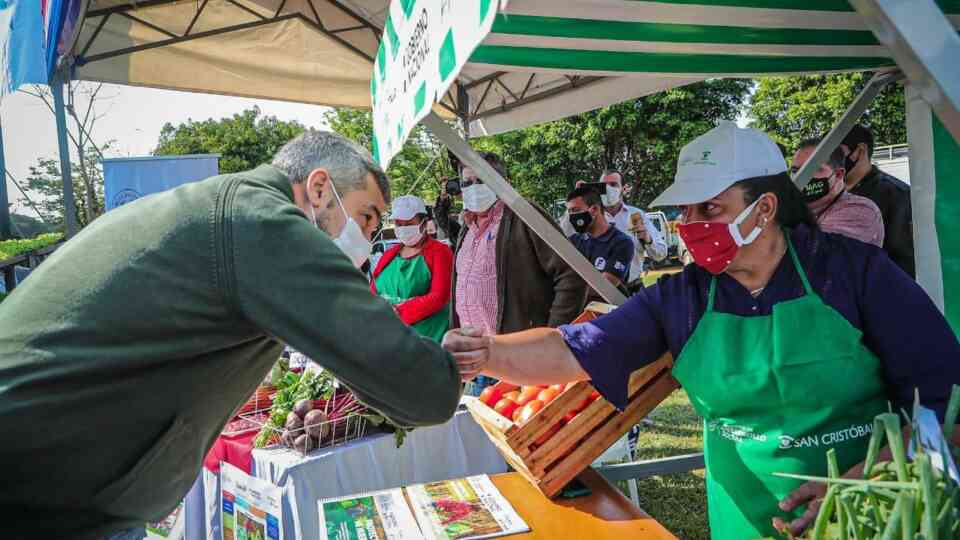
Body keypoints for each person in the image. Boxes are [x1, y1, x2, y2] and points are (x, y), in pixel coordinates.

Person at [444, 122, 960, 539]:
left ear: (766, 208)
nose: (690, 224)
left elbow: (947, 396)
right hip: (744, 519)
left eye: (709, 209)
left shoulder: (853, 274)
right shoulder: (684, 295)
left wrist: (863, 482)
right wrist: (483, 352)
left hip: (868, 517)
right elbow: (572, 351)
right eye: (685, 211)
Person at [0, 131, 462, 539]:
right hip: (43, 497)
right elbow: (423, 390)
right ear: (320, 189)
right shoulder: (262, 222)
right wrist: (455, 363)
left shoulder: (225, 204)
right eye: (366, 216)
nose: (368, 236)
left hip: (51, 484)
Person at [452, 151, 586, 394]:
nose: (473, 188)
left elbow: (571, 273)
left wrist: (554, 338)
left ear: (501, 181)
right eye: (467, 183)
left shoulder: (523, 214)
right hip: (478, 367)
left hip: (521, 363)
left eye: (481, 180)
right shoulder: (467, 228)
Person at [370, 195, 453, 343]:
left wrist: (398, 313)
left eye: (408, 223)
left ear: (423, 223)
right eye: (398, 224)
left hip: (428, 341)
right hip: (391, 338)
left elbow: (439, 297)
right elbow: (373, 289)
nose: (403, 228)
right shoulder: (390, 254)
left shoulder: (440, 251)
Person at [563, 171, 667, 286]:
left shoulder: (636, 215)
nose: (608, 189)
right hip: (595, 288)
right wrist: (578, 200)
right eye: (604, 185)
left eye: (613, 185)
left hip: (631, 287)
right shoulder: (589, 217)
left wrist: (648, 239)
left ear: (624, 188)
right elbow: (561, 236)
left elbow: (660, 254)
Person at [839, 125, 914, 276]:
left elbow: (903, 258)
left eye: (836, 153)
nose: (828, 162)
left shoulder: (897, 194)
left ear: (860, 151)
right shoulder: (830, 193)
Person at [791, 138, 884, 246]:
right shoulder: (800, 209)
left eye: (813, 169)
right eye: (795, 171)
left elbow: (812, 252)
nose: (802, 177)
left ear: (839, 174)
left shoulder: (859, 210)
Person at [565, 186, 634, 290]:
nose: (572, 216)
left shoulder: (622, 243)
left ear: (595, 210)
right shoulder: (574, 241)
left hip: (608, 305)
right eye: (569, 212)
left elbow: (604, 288)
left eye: (575, 210)